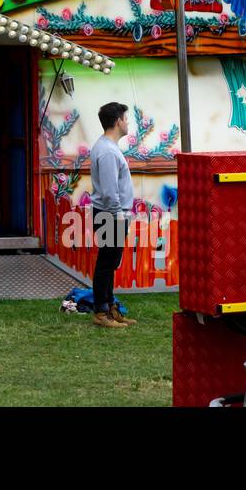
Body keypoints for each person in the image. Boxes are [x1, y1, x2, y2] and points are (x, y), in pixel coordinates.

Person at [88, 101, 137, 328]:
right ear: (118, 122)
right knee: (106, 263)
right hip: (110, 215)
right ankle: (101, 312)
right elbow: (109, 192)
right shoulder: (107, 151)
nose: (128, 123)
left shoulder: (107, 147)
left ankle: (109, 307)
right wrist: (118, 216)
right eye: (126, 119)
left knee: (111, 262)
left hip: (111, 214)